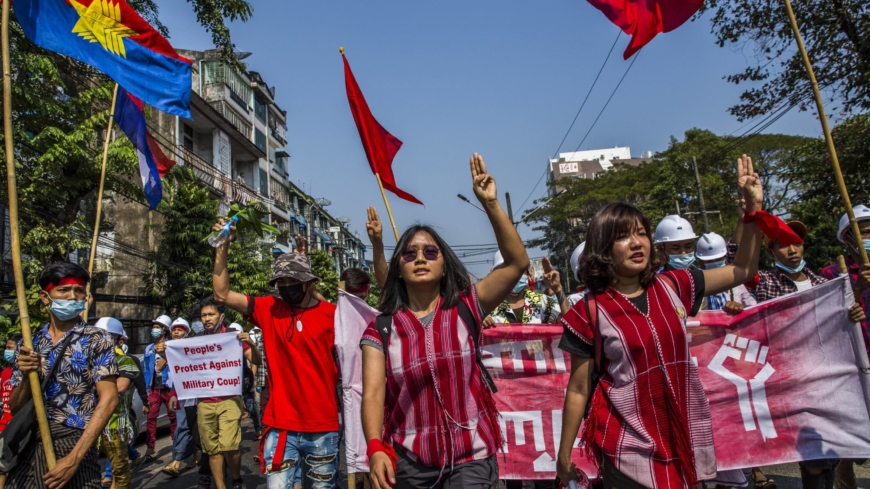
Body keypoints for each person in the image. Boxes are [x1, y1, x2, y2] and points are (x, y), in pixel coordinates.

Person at [556, 155, 765, 488]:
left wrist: (753, 213)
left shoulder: (677, 285)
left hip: (681, 437)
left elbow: (743, 271)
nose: (637, 243)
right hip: (625, 448)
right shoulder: (586, 313)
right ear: (602, 248)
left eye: (641, 233)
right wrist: (564, 455)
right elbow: (579, 389)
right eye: (624, 237)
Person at [361, 153, 528, 488]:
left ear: (443, 263)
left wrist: (490, 203)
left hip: (471, 458)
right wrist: (375, 447)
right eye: (409, 254)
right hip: (410, 462)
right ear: (399, 268)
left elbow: (516, 263)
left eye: (430, 252)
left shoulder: (467, 307)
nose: (420, 258)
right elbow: (373, 392)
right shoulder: (382, 327)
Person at [727, 209, 864, 489]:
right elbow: (733, 262)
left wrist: (853, 312)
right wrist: (747, 216)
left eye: (797, 243)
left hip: (827, 379)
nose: (792, 249)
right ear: (771, 250)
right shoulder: (765, 282)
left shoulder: (825, 284)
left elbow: (841, 321)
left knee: (830, 455)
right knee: (813, 460)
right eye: (783, 244)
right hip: (791, 382)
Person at [213, 228, 339, 489]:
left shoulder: (333, 315)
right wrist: (222, 247)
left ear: (307, 283)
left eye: (291, 282)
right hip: (280, 425)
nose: (285, 288)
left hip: (323, 425)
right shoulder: (269, 309)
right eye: (280, 283)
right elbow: (222, 295)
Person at [6, 262, 119, 489]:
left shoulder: (97, 339)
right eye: (63, 290)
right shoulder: (30, 344)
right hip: (31, 444)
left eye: (78, 291)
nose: (72, 296)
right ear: (46, 297)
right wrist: (30, 375)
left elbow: (109, 399)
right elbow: (16, 407)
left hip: (75, 442)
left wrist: (73, 459)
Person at [819, 206, 870, 489]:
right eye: (864, 232)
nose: (869, 236)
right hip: (854, 360)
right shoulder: (832, 273)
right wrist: (858, 289)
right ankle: (844, 477)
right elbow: (831, 318)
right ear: (848, 238)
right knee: (853, 429)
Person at [196, 297, 261, 489]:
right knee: (213, 450)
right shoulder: (197, 341)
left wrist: (252, 344)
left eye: (211, 314)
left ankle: (236, 477)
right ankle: (221, 486)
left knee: (230, 447)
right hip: (205, 401)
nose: (207, 319)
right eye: (203, 315)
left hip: (229, 398)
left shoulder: (234, 338)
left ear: (221, 316)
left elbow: (256, 360)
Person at [94, 318, 140, 489]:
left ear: (117, 339)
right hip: (91, 422)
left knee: (119, 470)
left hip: (115, 425)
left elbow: (120, 387)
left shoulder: (126, 361)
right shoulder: (90, 360)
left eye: (106, 336)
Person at [162, 318, 200, 478]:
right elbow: (176, 374)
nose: (176, 332)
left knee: (184, 426)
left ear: (186, 332)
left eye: (180, 329)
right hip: (180, 393)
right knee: (187, 426)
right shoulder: (170, 349)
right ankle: (197, 456)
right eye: (174, 329)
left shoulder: (190, 348)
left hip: (194, 394)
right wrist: (173, 394)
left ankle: (176, 462)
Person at [485, 252, 561, 327]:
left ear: (528, 273)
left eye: (519, 270)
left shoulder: (543, 302)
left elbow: (569, 324)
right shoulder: (487, 309)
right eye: (507, 272)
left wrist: (558, 288)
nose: (515, 276)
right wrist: (478, 324)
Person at [696, 232, 757, 314]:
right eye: (709, 261)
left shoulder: (734, 279)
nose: (714, 263)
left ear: (725, 256)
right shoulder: (696, 282)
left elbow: (752, 307)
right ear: (701, 261)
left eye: (718, 259)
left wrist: (739, 307)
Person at [143, 314, 177, 459]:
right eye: (153, 327)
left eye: (157, 327)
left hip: (168, 387)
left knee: (173, 415)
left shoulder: (172, 346)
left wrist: (165, 356)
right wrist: (146, 391)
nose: (154, 330)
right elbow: (146, 370)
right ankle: (150, 447)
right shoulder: (149, 349)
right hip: (154, 388)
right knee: (151, 417)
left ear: (164, 330)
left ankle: (177, 444)